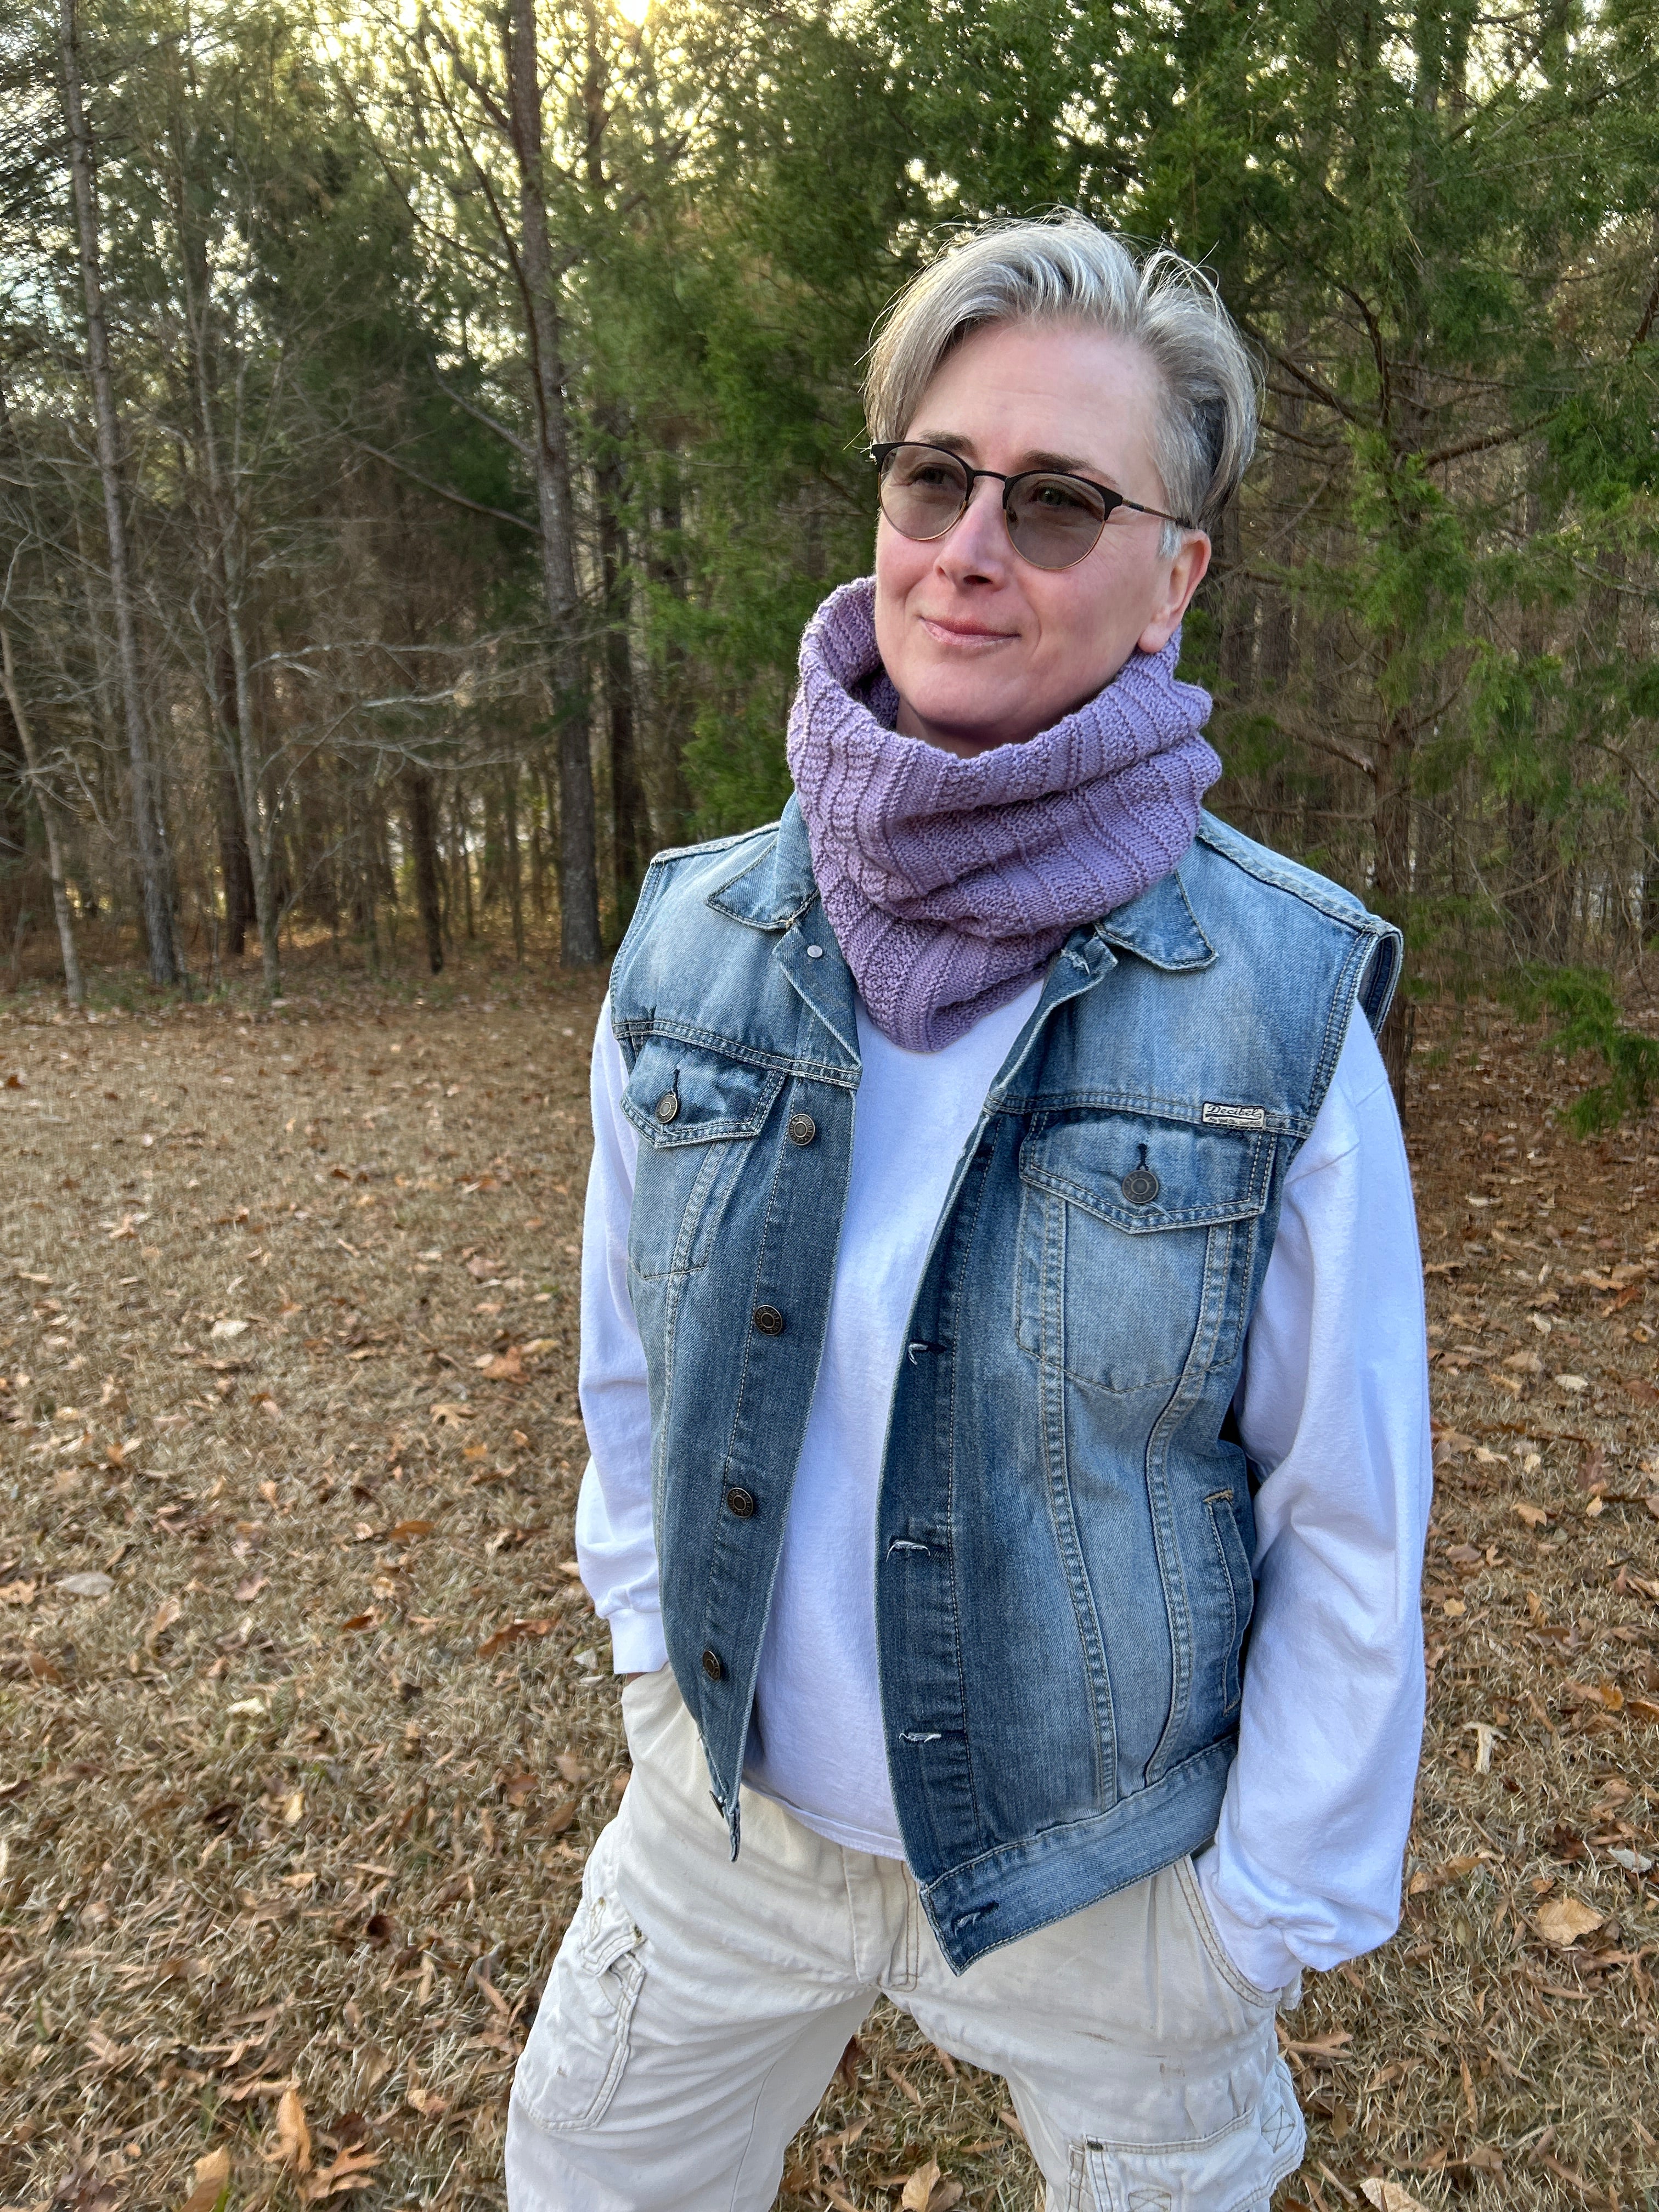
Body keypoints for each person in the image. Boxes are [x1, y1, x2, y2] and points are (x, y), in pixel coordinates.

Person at [505, 212, 1432, 2212]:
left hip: (1108, 1885)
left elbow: (1346, 1507)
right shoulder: (695, 943)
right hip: (731, 1824)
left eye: (1062, 500)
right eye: (939, 475)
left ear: (1174, 578)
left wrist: (1254, 1923)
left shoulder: (1270, 1004)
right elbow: (627, 1373)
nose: (974, 544)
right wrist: (661, 1684)